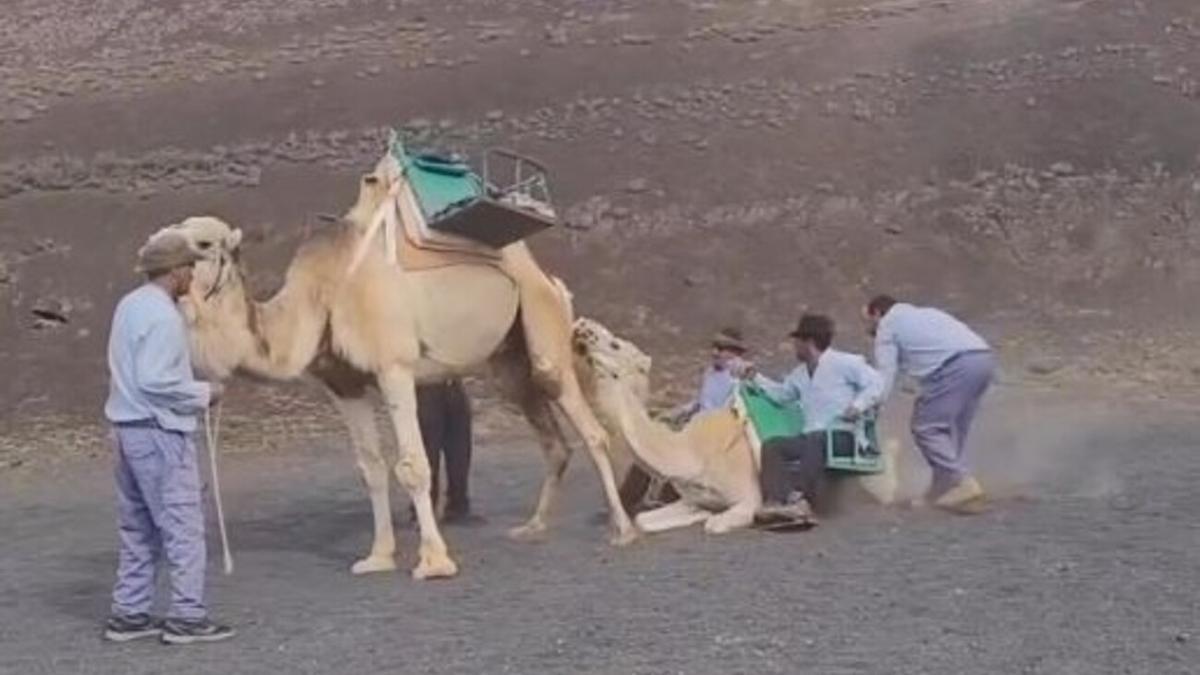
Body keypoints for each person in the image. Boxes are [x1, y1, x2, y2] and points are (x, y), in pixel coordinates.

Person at [103, 231, 234, 644]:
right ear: (176, 271)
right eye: (189, 269)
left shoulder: (130, 305)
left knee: (138, 526)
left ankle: (130, 611)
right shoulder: (162, 317)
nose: (192, 276)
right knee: (183, 525)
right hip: (159, 432)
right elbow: (155, 379)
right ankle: (186, 616)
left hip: (126, 432)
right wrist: (204, 393)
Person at [740, 314, 883, 528]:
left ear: (809, 342)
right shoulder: (799, 374)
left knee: (815, 440)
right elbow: (782, 395)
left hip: (844, 436)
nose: (794, 347)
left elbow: (876, 382)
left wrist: (858, 406)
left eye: (797, 342)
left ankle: (800, 500)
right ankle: (776, 502)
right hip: (812, 438)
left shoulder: (845, 363)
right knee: (773, 446)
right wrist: (755, 378)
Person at [863, 294, 995, 513]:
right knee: (952, 429)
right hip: (983, 359)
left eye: (867, 320)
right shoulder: (927, 314)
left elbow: (885, 376)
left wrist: (871, 408)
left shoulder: (887, 326)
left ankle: (962, 483)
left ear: (876, 313)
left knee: (926, 427)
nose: (868, 327)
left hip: (954, 366)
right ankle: (943, 489)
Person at [618, 327, 750, 514]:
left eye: (721, 348)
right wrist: (674, 413)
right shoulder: (710, 373)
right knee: (648, 450)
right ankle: (625, 502)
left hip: (713, 437)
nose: (715, 353)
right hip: (693, 429)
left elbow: (732, 412)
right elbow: (700, 402)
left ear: (735, 353)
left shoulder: (740, 380)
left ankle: (665, 500)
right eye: (714, 347)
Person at [416, 378, 482, 525]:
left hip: (452, 381)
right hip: (426, 382)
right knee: (428, 449)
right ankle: (424, 507)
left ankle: (458, 503)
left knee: (460, 447)